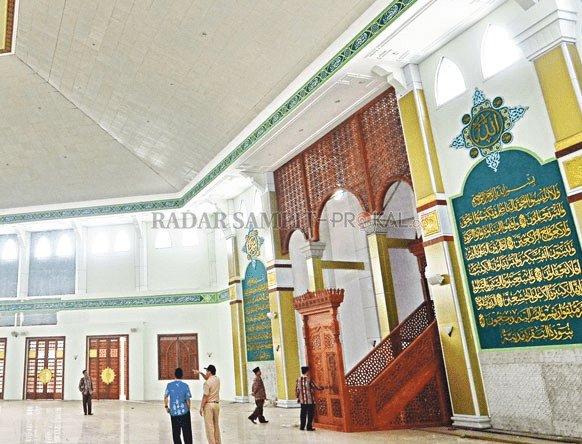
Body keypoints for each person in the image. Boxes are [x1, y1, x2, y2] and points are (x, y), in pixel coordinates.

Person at [164, 367, 193, 444]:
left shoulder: (169, 385)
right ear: (182, 375)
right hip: (184, 412)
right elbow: (188, 400)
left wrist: (166, 407)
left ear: (175, 375)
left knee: (176, 434)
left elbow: (166, 396)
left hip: (174, 413)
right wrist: (188, 410)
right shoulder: (185, 386)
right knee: (187, 434)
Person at [195, 364, 221, 444]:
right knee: (216, 425)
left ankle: (212, 442)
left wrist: (201, 407)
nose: (206, 373)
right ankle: (218, 442)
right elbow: (207, 378)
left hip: (209, 405)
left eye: (206, 371)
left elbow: (205, 396)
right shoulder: (217, 379)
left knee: (209, 426)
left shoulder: (207, 383)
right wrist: (200, 373)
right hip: (216, 404)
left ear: (209, 372)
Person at [295, 366, 324, 431]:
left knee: (303, 413)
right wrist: (324, 387)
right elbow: (316, 387)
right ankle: (309, 427)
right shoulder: (309, 379)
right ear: (307, 372)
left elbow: (297, 390)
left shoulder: (298, 379)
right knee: (310, 413)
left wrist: (297, 398)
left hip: (302, 400)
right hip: (309, 399)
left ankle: (302, 426)